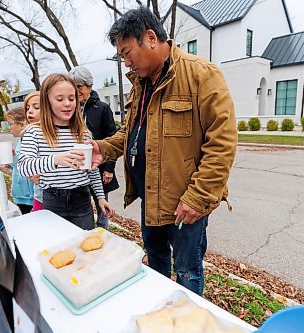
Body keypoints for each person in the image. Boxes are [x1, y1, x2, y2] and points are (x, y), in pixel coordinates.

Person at [90, 7, 237, 295]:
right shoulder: (140, 85)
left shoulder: (201, 75)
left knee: (187, 270)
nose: (126, 62)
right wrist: (102, 148)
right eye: (121, 56)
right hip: (150, 197)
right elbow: (129, 133)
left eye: (127, 52)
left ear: (150, 37)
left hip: (186, 205)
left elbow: (222, 144)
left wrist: (198, 198)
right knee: (155, 261)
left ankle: (187, 321)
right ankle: (157, 314)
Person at [18, 73, 114, 230]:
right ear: (46, 101)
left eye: (71, 98)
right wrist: (56, 159)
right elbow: (23, 166)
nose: (67, 104)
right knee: (59, 248)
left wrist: (101, 197)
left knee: (84, 246)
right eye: (60, 99)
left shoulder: (83, 132)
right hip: (52, 200)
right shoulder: (34, 132)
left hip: (82, 200)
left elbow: (92, 170)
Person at [69, 66, 119, 229]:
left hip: (100, 163)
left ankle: (102, 230)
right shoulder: (71, 108)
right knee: (82, 202)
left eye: (80, 87)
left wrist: (109, 168)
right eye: (73, 87)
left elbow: (112, 138)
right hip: (78, 165)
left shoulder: (102, 108)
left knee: (101, 201)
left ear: (89, 85)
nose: (77, 92)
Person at [6, 106, 35, 214]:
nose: (9, 128)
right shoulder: (21, 141)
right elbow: (19, 164)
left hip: (29, 197)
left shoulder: (31, 141)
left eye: (10, 124)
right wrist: (11, 162)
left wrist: (13, 158)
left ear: (22, 123)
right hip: (21, 194)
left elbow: (30, 166)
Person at [23, 91, 44, 211]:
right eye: (27, 108)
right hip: (39, 196)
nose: (30, 111)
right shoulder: (28, 134)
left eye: (36, 107)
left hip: (57, 199)